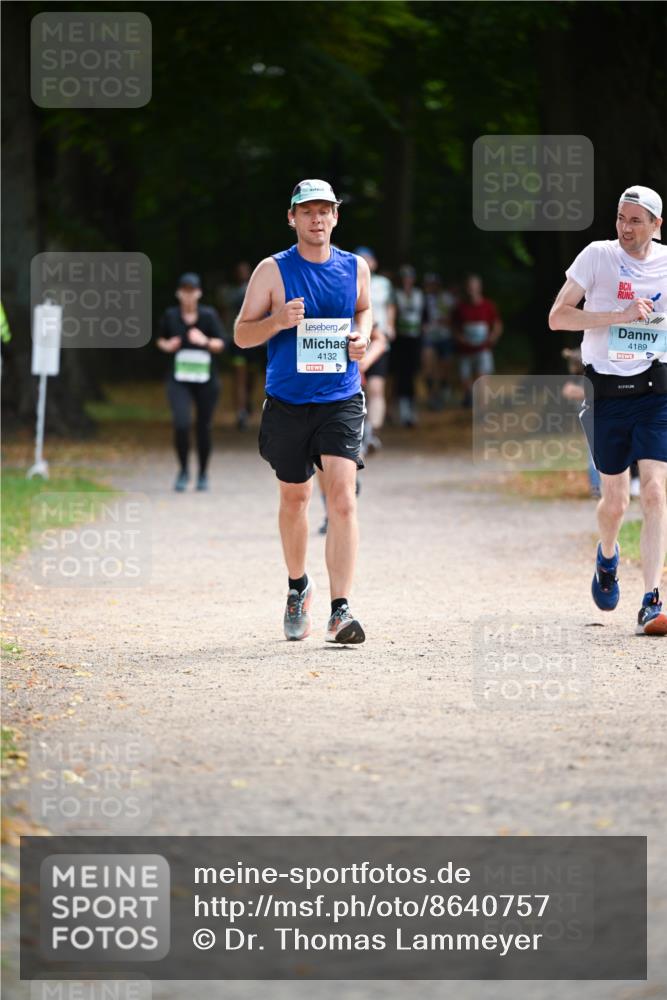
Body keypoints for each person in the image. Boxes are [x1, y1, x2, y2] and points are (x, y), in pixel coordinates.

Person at [234, 179, 372, 644]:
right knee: (295, 499)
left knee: (343, 499)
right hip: (288, 402)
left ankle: (340, 610)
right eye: (307, 211)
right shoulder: (272, 271)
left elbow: (365, 310)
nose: (317, 218)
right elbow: (241, 335)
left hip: (340, 398)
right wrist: (277, 322)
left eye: (324, 210)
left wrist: (363, 336)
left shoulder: (355, 267)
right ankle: (298, 587)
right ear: (292, 217)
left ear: (336, 217)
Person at [548, 184, 667, 636]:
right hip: (606, 392)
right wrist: (618, 315)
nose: (625, 227)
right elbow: (558, 316)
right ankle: (608, 556)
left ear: (656, 225)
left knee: (655, 492)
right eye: (621, 217)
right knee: (615, 502)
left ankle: (652, 600)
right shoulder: (597, 256)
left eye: (636, 220)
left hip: (656, 391)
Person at [156, 272, 226, 492]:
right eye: (184, 291)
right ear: (178, 293)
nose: (188, 295)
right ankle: (183, 470)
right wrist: (167, 346)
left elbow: (222, 344)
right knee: (182, 423)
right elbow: (160, 339)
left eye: (192, 291)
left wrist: (204, 341)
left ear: (199, 293)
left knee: (203, 426)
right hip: (179, 380)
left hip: (206, 380)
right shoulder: (171, 316)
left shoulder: (208, 315)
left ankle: (203, 473)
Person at [355, 247, 395, 451]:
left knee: (376, 388)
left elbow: (390, 305)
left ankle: (371, 433)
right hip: (352, 341)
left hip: (375, 338)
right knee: (356, 393)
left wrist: (391, 326)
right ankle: (358, 432)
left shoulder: (383, 284)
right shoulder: (348, 280)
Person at [222, 261, 265, 431]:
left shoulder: (259, 290)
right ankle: (240, 412)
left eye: (245, 271)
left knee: (251, 377)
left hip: (256, 342)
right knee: (240, 375)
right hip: (237, 340)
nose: (242, 274)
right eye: (239, 271)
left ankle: (246, 402)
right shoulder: (230, 292)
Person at [452, 274, 502, 407]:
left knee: (482, 379)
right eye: (469, 287)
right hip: (465, 350)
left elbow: (497, 324)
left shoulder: (488, 305)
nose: (471, 290)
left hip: (483, 349)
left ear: (480, 288)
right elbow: (454, 327)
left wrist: (493, 337)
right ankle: (469, 397)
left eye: (474, 287)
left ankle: (482, 409)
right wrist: (460, 338)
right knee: (465, 379)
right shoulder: (460, 307)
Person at [561, 347, 602, 498]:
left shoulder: (585, 381)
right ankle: (596, 486)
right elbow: (568, 391)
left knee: (595, 455)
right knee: (594, 455)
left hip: (596, 419)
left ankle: (598, 486)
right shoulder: (580, 382)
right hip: (592, 419)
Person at [393, 265, 424, 426]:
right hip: (400, 339)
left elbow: (424, 315)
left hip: (415, 339)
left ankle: (412, 409)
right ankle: (403, 410)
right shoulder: (396, 294)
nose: (407, 280)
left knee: (413, 373)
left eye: (409, 277)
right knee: (401, 374)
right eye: (404, 277)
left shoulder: (419, 294)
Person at [421, 272, 457, 410]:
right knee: (428, 366)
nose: (432, 287)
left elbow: (454, 316)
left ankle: (443, 389)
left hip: (445, 336)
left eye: (434, 284)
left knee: (445, 367)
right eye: (429, 284)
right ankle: (432, 395)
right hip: (429, 337)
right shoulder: (422, 299)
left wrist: (448, 321)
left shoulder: (447, 298)